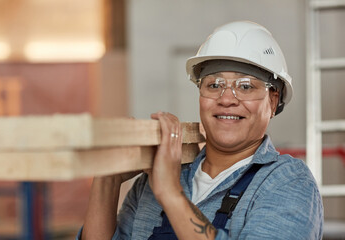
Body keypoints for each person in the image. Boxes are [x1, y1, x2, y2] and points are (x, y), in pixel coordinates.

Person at [78, 21, 323, 239]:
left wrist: (172, 195)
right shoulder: (157, 178)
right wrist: (107, 178)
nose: (227, 98)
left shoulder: (287, 182)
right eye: (214, 84)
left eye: (246, 86)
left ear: (272, 101)